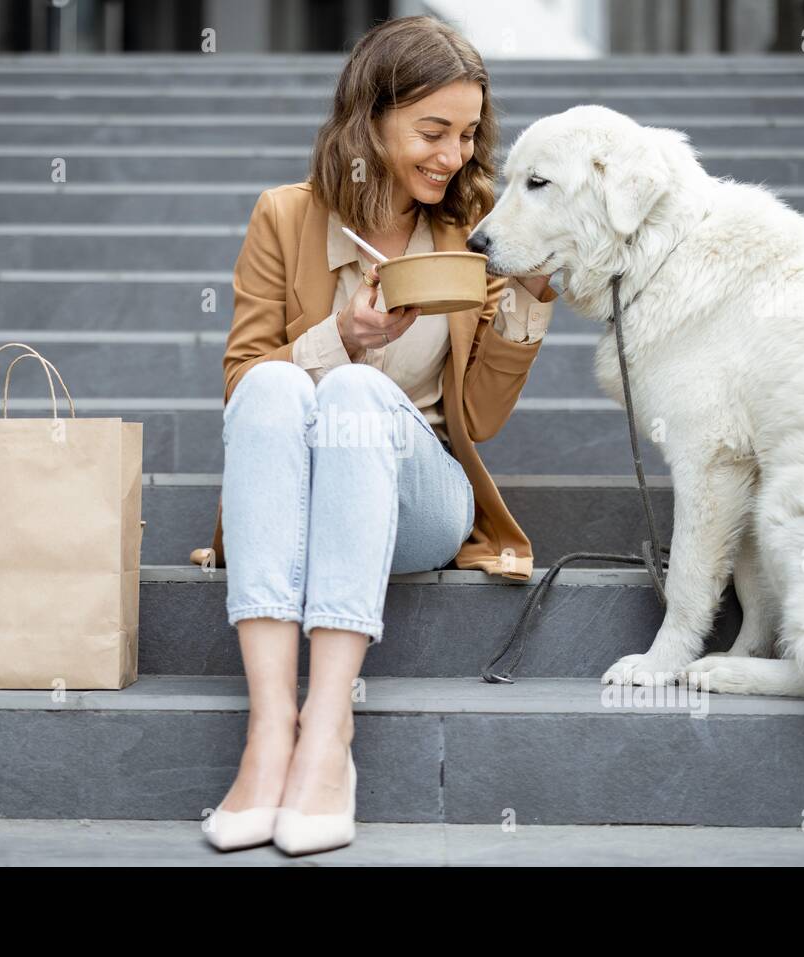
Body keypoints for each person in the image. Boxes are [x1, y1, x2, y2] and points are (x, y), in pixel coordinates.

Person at [194, 15, 558, 855]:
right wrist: (338, 339)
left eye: (467, 134)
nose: (454, 155)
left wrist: (529, 300)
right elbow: (243, 386)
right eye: (432, 131)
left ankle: (328, 732)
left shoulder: (471, 237)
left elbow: (485, 420)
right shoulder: (285, 218)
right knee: (283, 380)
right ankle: (269, 729)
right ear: (372, 119)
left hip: (421, 499)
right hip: (310, 490)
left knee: (357, 389)